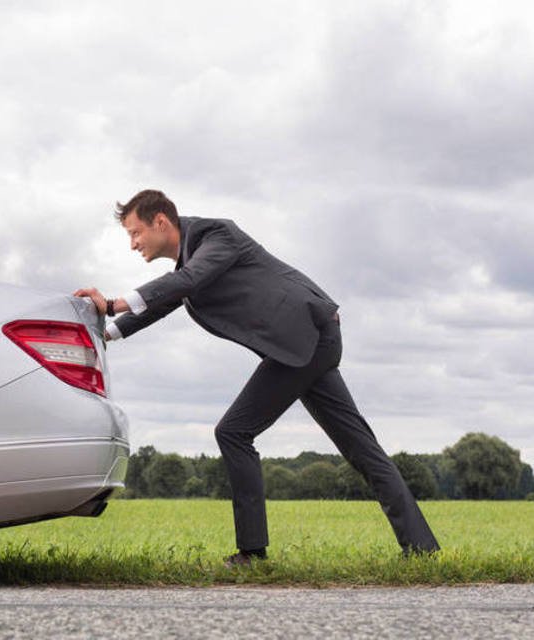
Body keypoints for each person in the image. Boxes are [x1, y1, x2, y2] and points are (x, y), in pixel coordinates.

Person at [74, 189, 440, 566]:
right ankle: (424, 550)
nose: (133, 244)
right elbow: (170, 297)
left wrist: (115, 303)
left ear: (161, 222)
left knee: (233, 432)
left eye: (135, 233)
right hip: (305, 342)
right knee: (362, 449)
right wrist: (106, 334)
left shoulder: (217, 236)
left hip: (308, 337)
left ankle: (252, 553)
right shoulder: (192, 261)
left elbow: (187, 281)